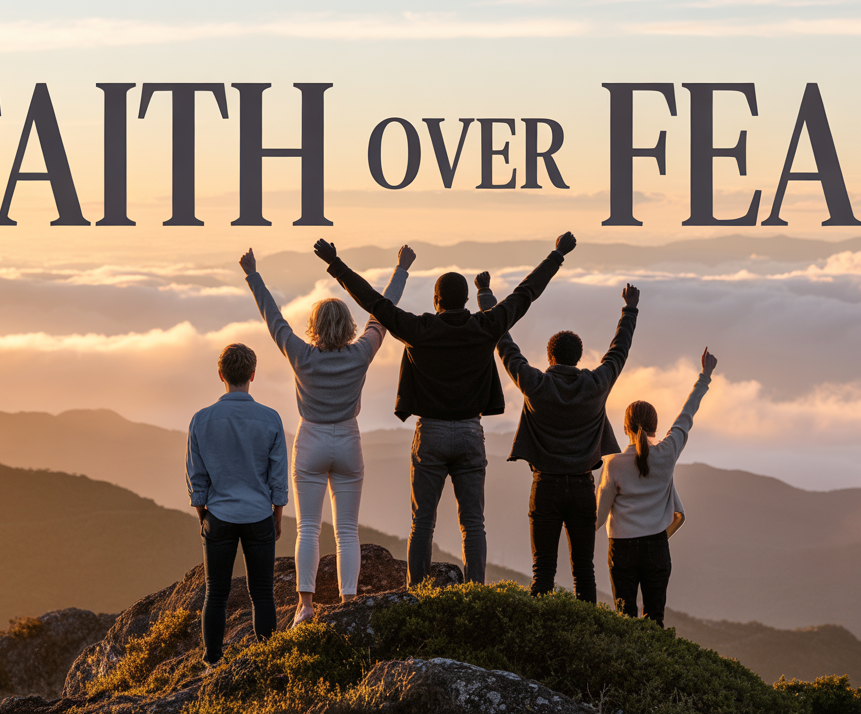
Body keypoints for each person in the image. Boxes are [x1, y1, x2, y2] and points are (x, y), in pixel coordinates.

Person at [314, 232, 578, 587]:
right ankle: (475, 591)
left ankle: (417, 592)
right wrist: (557, 254)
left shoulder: (419, 329)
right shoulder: (486, 326)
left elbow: (374, 302)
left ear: (436, 300)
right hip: (471, 433)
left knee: (422, 521)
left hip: (432, 435)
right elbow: (526, 293)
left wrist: (335, 264)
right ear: (467, 300)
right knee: (473, 523)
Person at [239, 244, 416, 627]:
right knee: (347, 530)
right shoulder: (361, 353)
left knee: (308, 528)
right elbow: (382, 312)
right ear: (348, 326)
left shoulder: (301, 355)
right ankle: (348, 600)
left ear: (315, 327)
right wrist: (401, 268)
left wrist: (253, 274)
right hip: (348, 442)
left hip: (311, 441)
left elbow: (274, 319)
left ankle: (305, 605)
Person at [475, 272, 639, 602]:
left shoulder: (536, 385)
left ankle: (539, 644)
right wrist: (629, 309)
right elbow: (618, 351)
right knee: (584, 572)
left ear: (550, 357)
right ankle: (588, 641)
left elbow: (504, 344)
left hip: (545, 486)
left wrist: (485, 295)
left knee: (543, 572)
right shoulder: (596, 385)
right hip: (582, 489)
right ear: (577, 357)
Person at [595, 347, 717, 627]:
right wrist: (705, 375)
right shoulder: (668, 452)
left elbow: (598, 517)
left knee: (624, 622)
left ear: (625, 427)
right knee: (654, 622)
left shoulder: (613, 464)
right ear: (655, 426)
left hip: (621, 548)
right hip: (656, 547)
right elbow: (687, 415)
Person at [185, 343, 288, 663]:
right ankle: (268, 661)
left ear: (221, 375)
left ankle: (212, 661)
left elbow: (196, 476)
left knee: (216, 594)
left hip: (218, 515)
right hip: (259, 515)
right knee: (262, 595)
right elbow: (278, 476)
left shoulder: (201, 420)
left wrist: (204, 514)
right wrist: (278, 516)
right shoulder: (270, 419)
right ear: (253, 375)